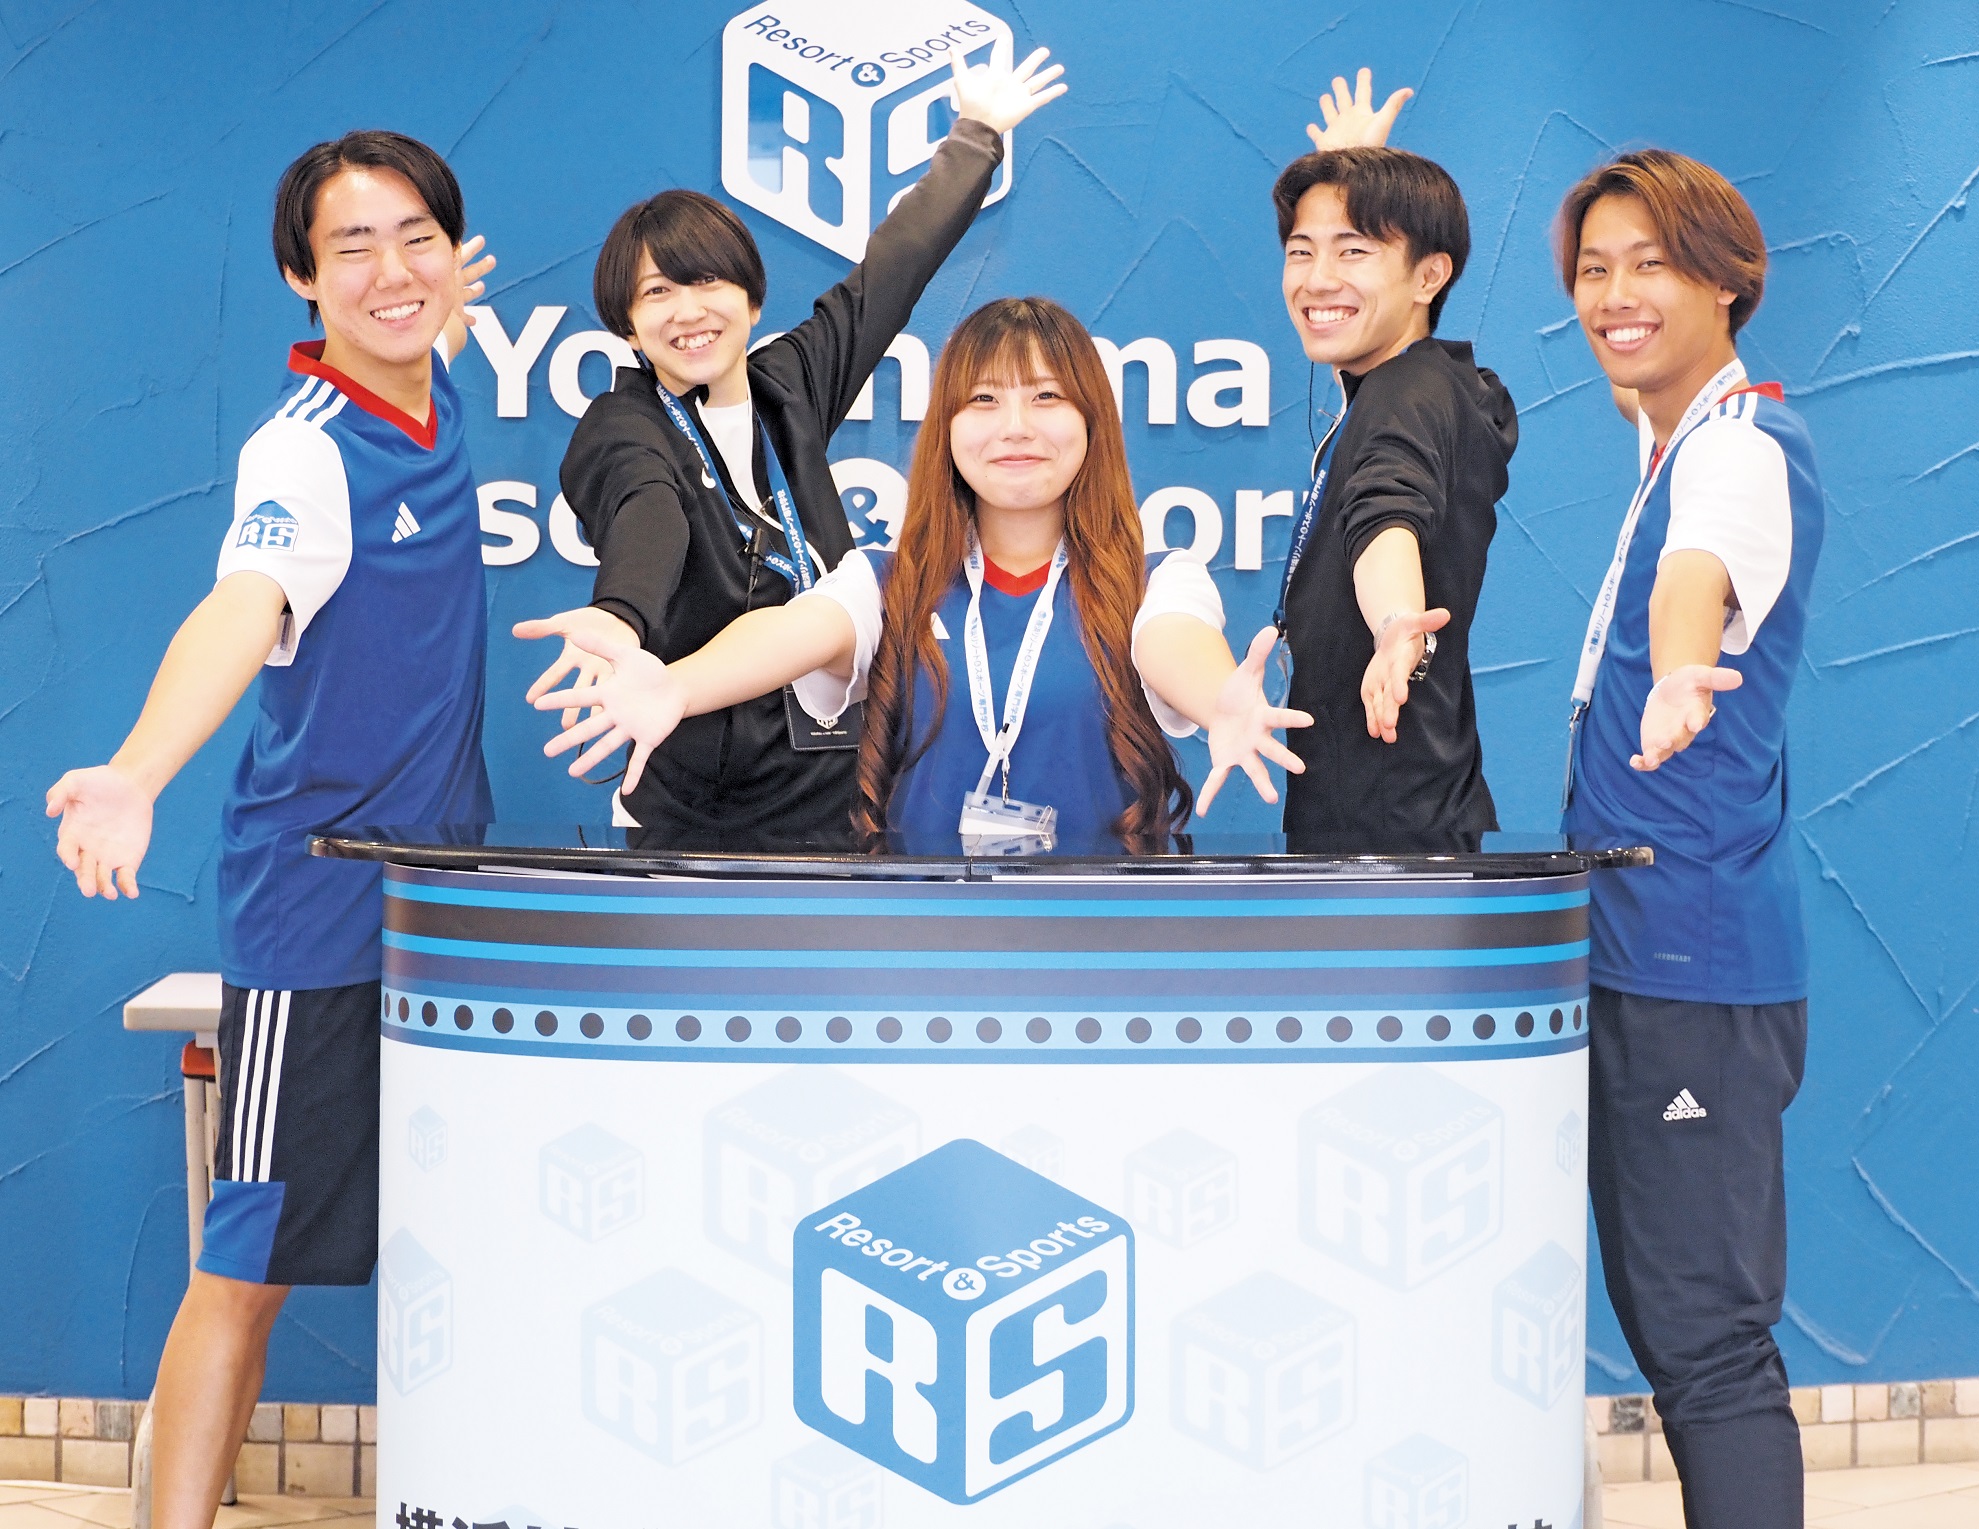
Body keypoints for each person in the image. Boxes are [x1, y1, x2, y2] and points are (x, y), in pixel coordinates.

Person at [43, 132, 494, 1528]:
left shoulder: (428, 387)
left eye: (417, 237)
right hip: (317, 915)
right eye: (351, 248)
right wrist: (137, 772)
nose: (391, 270)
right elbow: (242, 607)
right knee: (245, 1265)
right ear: (301, 276)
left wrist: (432, 301)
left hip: (442, 910)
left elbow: (424, 324)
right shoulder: (301, 451)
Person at [517, 297, 1308, 851]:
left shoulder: (1159, 579)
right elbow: (793, 630)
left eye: (1046, 397)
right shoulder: (884, 580)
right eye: (984, 400)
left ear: (1092, 419)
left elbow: (1174, 643)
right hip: (917, 963)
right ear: (947, 427)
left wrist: (1219, 699)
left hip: (1101, 960)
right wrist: (675, 686)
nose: (1015, 427)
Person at [526, 48, 1066, 843]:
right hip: (701, 815)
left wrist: (975, 135)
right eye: (657, 292)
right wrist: (620, 613)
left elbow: (891, 273)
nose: (688, 311)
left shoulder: (790, 386)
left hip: (841, 795)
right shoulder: (624, 426)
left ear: (751, 300)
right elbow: (647, 509)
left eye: (706, 282)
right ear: (627, 325)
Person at [1556, 149, 1825, 1529]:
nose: (1613, 294)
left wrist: (1676, 668)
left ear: (1727, 283)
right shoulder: (1672, 432)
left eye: (1648, 265)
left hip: (1692, 967)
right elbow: (1644, 417)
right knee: (1672, 1326)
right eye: (1592, 269)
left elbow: (1692, 575)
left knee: (1705, 1341)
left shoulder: (1733, 449)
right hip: (1643, 950)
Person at [1269, 70, 1518, 845]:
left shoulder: (1403, 394)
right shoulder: (1429, 384)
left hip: (1386, 852)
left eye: (1353, 250)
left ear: (1429, 275)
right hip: (1410, 816)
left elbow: (1387, 510)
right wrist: (1352, 171)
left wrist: (1394, 626)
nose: (1317, 279)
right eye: (1301, 250)